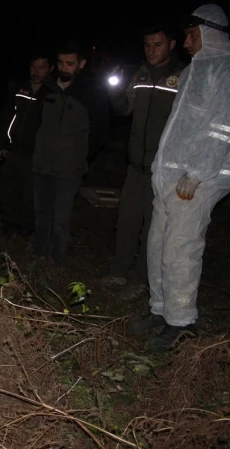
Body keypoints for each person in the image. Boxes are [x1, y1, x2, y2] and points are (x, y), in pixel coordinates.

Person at [127, 4, 230, 350]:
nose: (185, 42)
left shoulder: (225, 70)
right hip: (169, 177)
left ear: (211, 32)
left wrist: (198, 172)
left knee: (180, 250)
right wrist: (161, 169)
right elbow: (176, 128)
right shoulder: (190, 73)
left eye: (191, 35)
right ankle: (160, 310)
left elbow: (222, 129)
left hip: (199, 179)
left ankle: (182, 322)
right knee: (157, 246)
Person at [103, 24, 186, 293]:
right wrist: (114, 94)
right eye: (147, 45)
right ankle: (118, 272)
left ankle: (141, 279)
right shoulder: (139, 73)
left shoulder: (183, 76)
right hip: (136, 165)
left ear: (171, 45)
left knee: (153, 227)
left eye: (157, 45)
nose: (151, 51)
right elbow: (125, 109)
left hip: (164, 169)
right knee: (127, 220)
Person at [32, 41, 111, 266]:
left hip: (70, 170)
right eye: (60, 62)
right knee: (41, 217)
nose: (64, 68)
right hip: (41, 166)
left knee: (61, 220)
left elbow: (101, 132)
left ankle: (56, 263)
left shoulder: (91, 93)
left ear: (81, 64)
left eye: (70, 63)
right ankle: (38, 258)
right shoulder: (47, 88)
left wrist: (80, 156)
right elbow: (36, 124)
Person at [0, 52, 53, 238]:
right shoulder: (20, 89)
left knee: (31, 192)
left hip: (36, 153)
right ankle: (9, 224)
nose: (36, 71)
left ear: (50, 68)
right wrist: (3, 144)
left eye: (41, 67)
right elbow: (7, 118)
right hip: (14, 149)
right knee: (8, 189)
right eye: (33, 67)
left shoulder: (52, 94)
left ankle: (27, 227)